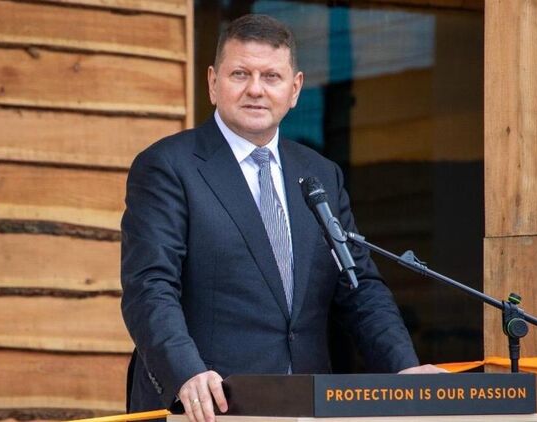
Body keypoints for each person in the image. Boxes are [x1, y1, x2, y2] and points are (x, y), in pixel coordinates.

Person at [121, 14, 443, 422]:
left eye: (271, 76)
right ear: (213, 82)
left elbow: (359, 287)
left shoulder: (320, 174)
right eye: (240, 74)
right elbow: (150, 286)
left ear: (294, 89)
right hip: (208, 406)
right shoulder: (168, 166)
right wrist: (186, 372)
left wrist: (404, 368)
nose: (255, 89)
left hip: (305, 405)